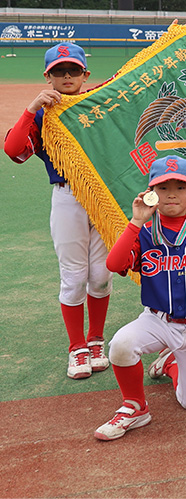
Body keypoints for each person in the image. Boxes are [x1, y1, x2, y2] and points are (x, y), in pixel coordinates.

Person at [4, 43, 112, 380]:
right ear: (47, 76)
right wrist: (31, 108)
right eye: (59, 71)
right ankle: (77, 347)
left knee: (101, 275)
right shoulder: (42, 114)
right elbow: (13, 150)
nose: (67, 76)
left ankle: (96, 341)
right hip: (67, 197)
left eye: (73, 70)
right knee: (75, 277)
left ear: (85, 74)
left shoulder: (100, 103)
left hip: (102, 198)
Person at [95, 156, 186, 441]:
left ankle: (170, 363)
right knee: (121, 345)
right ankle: (135, 406)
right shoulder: (144, 233)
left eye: (180, 187)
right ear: (151, 193)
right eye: (163, 188)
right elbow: (114, 264)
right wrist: (136, 221)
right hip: (157, 320)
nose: (172, 194)